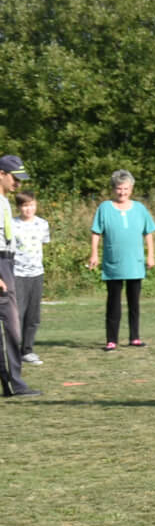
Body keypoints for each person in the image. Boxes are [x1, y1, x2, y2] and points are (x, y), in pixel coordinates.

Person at [87, 170, 155, 350]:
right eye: (119, 188)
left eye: (126, 188)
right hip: (113, 263)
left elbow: (148, 233)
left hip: (135, 262)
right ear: (113, 189)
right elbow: (96, 232)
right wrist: (94, 254)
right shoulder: (104, 208)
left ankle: (135, 337)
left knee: (134, 302)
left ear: (131, 189)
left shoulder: (140, 208)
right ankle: (111, 340)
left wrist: (150, 255)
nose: (122, 192)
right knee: (113, 302)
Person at [0, 155, 39, 397]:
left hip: (7, 262)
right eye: (15, 178)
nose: (18, 184)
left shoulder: (4, 201)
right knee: (11, 327)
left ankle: (10, 382)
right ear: (1, 174)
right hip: (1, 264)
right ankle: (14, 383)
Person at [11, 189, 48, 365]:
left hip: (36, 274)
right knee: (17, 314)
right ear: (19, 207)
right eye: (25, 206)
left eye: (31, 205)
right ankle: (13, 350)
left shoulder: (42, 224)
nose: (29, 209)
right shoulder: (12, 224)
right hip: (17, 274)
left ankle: (27, 350)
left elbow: (42, 245)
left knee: (33, 315)